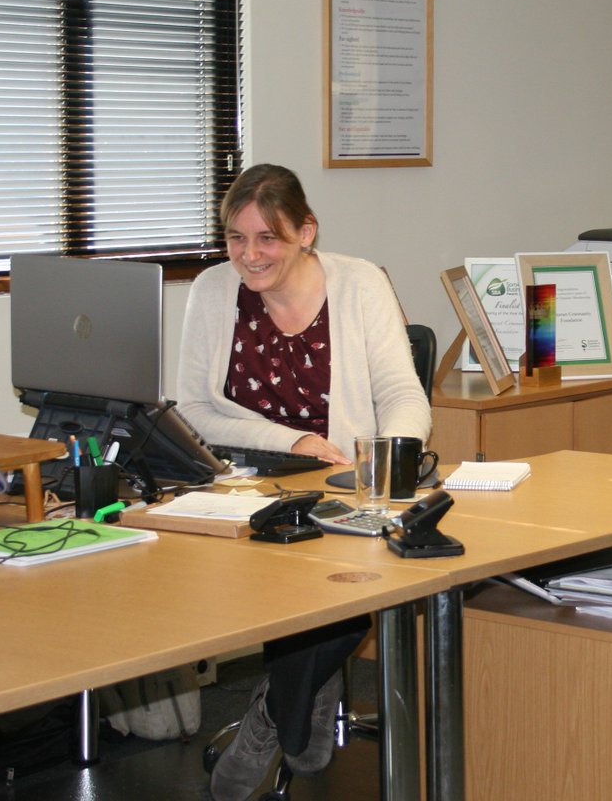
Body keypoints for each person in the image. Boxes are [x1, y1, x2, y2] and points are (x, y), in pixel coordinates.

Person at [177, 163, 431, 799]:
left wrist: (386, 461)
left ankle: (269, 715)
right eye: (236, 238)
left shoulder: (360, 283)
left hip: (347, 478)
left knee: (348, 579)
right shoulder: (212, 291)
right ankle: (308, 694)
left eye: (268, 238)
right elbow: (194, 410)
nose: (250, 255)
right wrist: (291, 441)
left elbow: (403, 392)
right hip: (245, 478)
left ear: (306, 233)